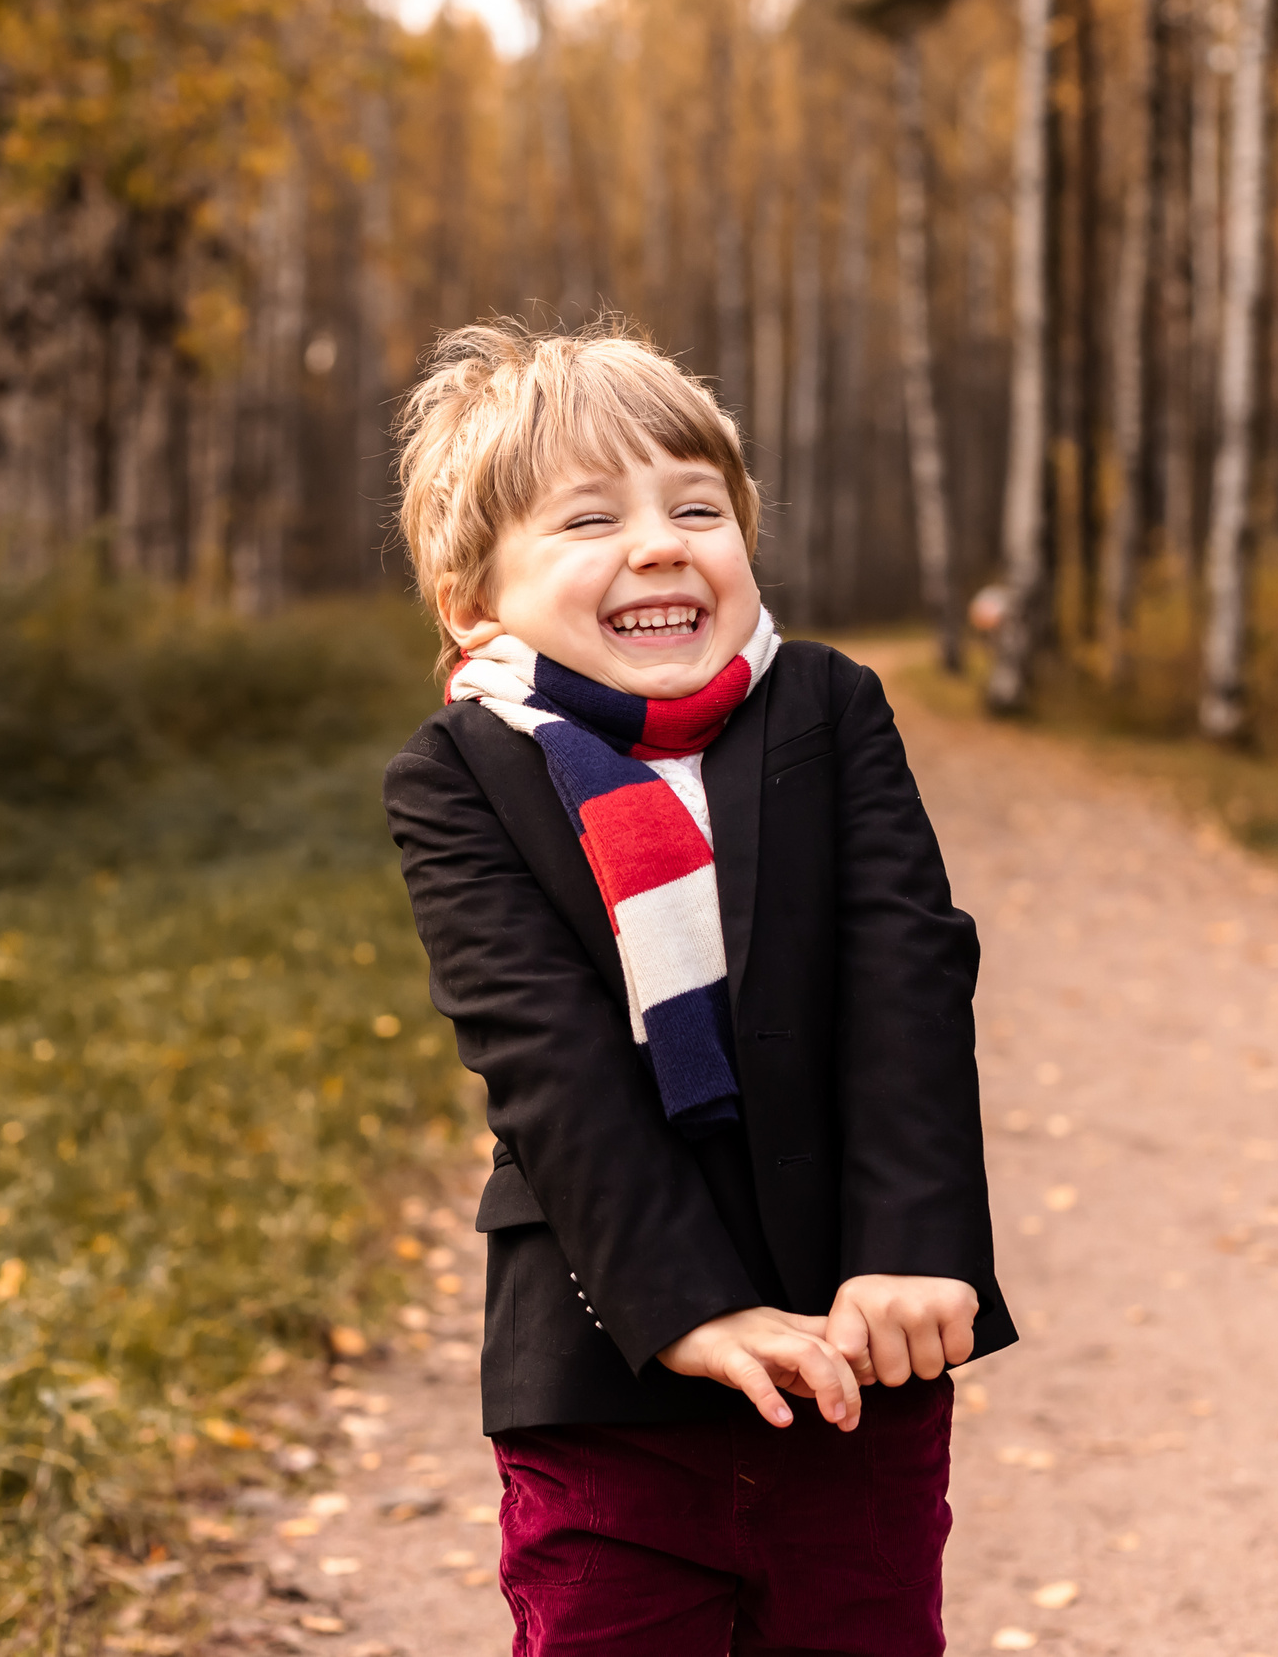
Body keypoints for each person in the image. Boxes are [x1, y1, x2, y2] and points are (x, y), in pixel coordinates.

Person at [381, 318, 1014, 1656]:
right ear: (471, 602)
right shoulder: (461, 776)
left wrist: (917, 1245)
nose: (661, 545)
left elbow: (907, 972)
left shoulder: (826, 710)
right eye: (590, 520)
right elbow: (543, 1054)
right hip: (608, 1373)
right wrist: (689, 1309)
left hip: (854, 1346)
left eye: (696, 508)